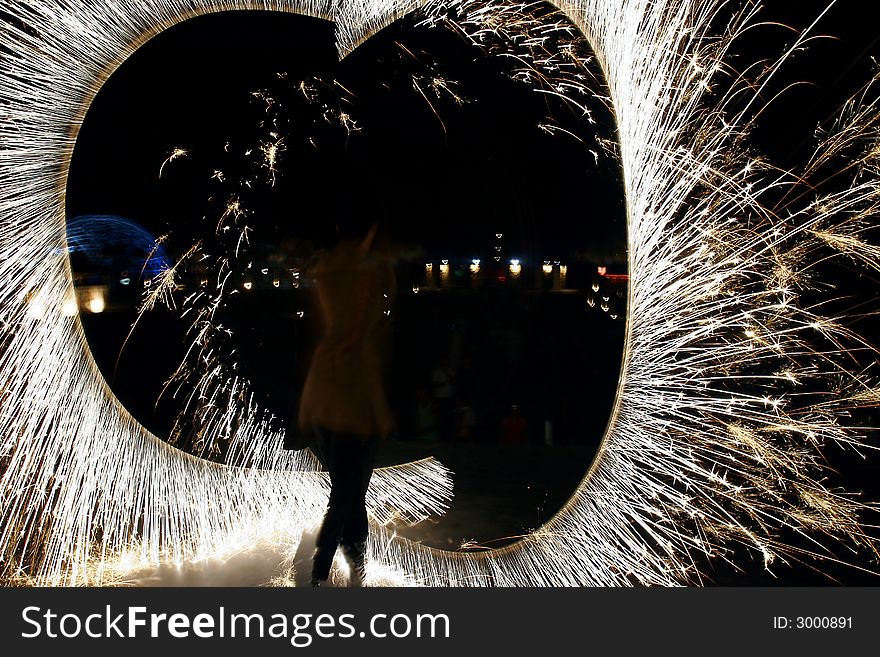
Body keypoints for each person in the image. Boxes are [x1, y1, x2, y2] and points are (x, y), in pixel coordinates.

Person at [296, 218, 395, 587]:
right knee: (347, 494)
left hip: (323, 398)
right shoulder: (361, 275)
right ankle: (321, 570)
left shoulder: (326, 270)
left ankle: (353, 568)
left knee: (351, 492)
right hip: (353, 402)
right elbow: (377, 309)